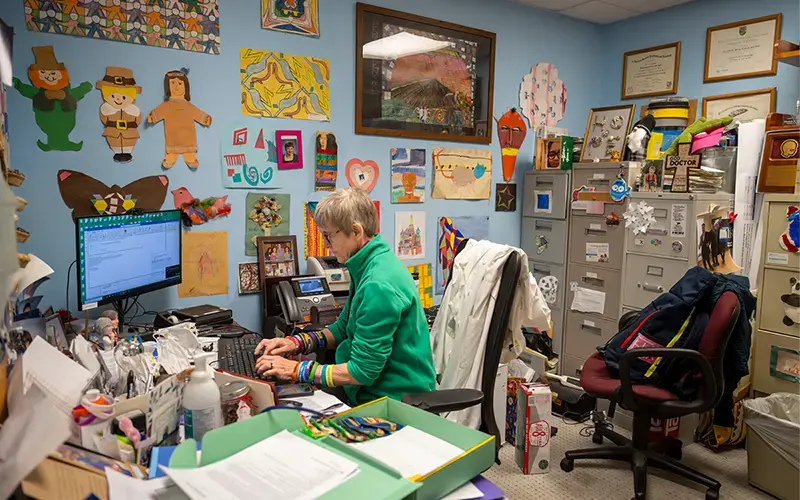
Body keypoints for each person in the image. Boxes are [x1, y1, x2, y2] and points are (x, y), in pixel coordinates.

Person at [255, 188, 436, 405]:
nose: (326, 244)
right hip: (368, 391)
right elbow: (342, 329)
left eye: (329, 236)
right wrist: (295, 342)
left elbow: (361, 372)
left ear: (356, 231)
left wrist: (296, 369)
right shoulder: (368, 263)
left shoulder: (378, 283)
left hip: (395, 400)